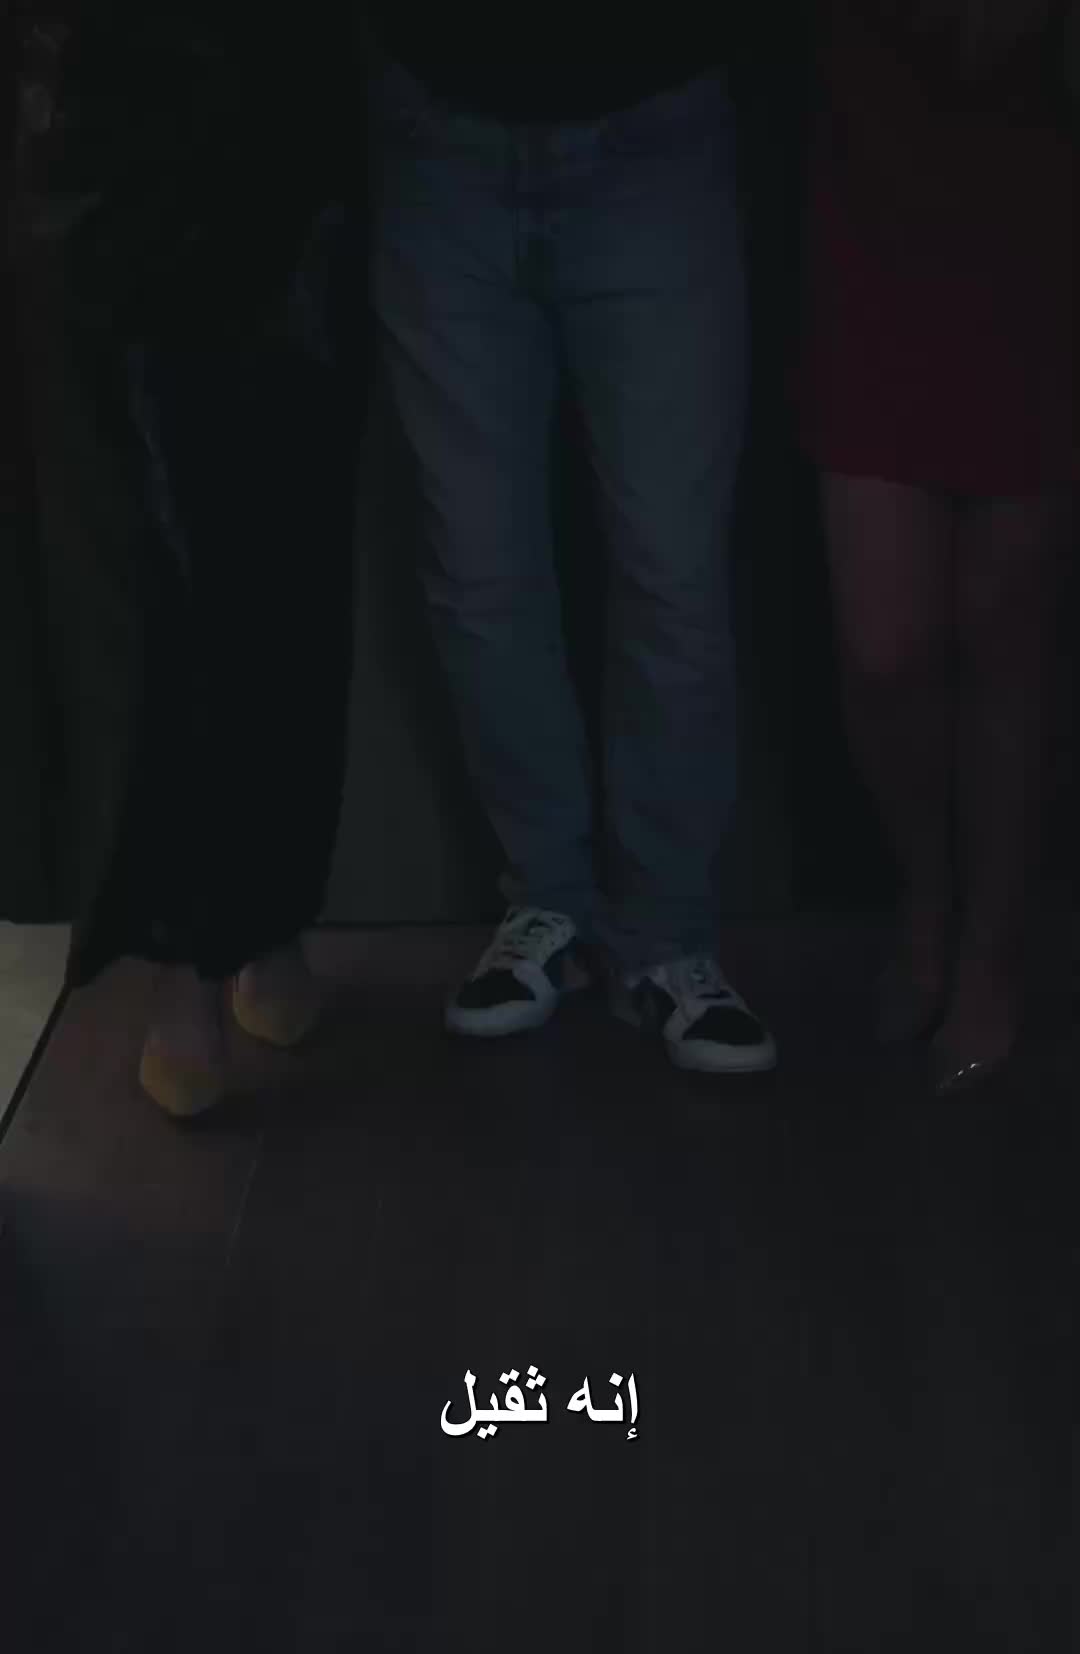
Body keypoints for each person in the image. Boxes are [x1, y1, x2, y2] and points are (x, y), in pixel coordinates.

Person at [363, 14, 777, 1075]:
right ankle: (548, 900)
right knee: (478, 569)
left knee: (672, 569)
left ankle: (667, 934)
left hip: (653, 126)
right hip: (437, 127)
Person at [12, 4, 367, 1118]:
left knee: (282, 564)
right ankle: (187, 957)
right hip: (100, 141)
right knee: (149, 584)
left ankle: (266, 923)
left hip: (282, 132)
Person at [799, 0, 1078, 1093]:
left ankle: (990, 950)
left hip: (1036, 213)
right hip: (873, 206)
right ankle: (927, 893)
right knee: (885, 644)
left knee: (1008, 626)